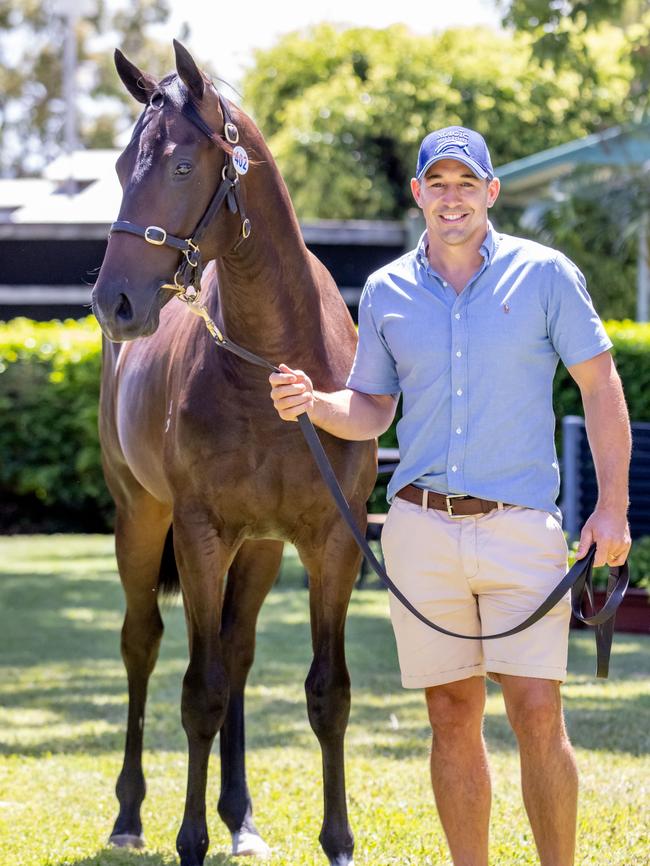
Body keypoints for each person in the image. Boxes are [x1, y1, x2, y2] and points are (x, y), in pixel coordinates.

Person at [269, 125, 632, 866]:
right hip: (421, 531)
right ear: (419, 195)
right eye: (439, 183)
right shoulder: (386, 291)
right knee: (449, 714)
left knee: (537, 710)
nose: (453, 197)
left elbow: (601, 385)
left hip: (520, 527)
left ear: (491, 193)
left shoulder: (547, 275)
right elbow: (371, 410)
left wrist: (613, 505)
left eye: (468, 183)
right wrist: (316, 402)